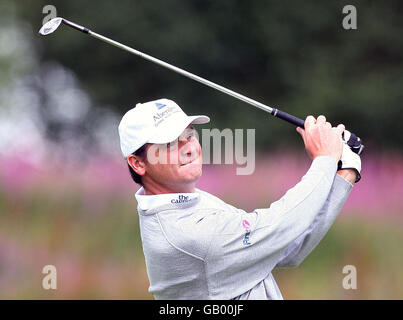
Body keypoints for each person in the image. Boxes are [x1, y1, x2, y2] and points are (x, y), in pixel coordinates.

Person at [118, 98, 362, 299]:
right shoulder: (187, 232)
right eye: (170, 143)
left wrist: (344, 173)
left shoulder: (189, 203)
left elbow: (288, 247)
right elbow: (278, 227)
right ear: (138, 163)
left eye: (190, 134)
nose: (190, 147)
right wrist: (325, 159)